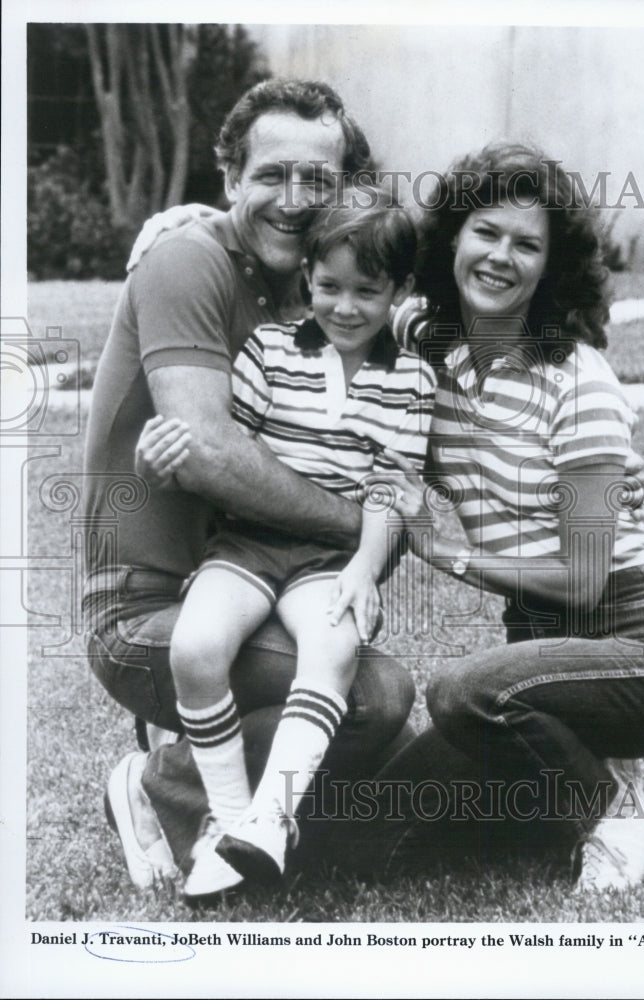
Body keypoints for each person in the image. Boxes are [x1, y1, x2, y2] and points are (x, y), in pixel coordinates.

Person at [82, 79, 417, 894]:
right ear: (230, 178)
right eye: (271, 175)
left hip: (251, 585)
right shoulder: (188, 257)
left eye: (318, 180)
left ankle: (232, 810)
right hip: (145, 606)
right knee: (374, 697)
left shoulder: (306, 285)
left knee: (369, 715)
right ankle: (164, 788)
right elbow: (204, 452)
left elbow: (390, 276)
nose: (295, 199)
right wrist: (369, 523)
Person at [350, 142, 644, 892]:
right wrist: (184, 227)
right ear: (453, 239)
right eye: (486, 232)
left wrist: (442, 549)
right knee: (369, 826)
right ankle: (564, 788)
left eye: (527, 244)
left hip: (637, 646)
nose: (500, 256)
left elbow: (580, 580)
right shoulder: (428, 346)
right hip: (533, 657)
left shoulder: (580, 381)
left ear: (552, 267)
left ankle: (615, 807)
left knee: (460, 691)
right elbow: (333, 284)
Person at [135, 193, 435, 901]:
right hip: (246, 545)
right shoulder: (270, 349)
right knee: (195, 647)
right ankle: (228, 819)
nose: (347, 306)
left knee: (331, 642)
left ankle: (273, 815)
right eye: (329, 286)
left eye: (368, 290)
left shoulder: (412, 378)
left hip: (329, 561)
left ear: (400, 290)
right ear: (308, 278)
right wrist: (155, 461)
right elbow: (219, 451)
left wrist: (365, 569)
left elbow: (393, 488)